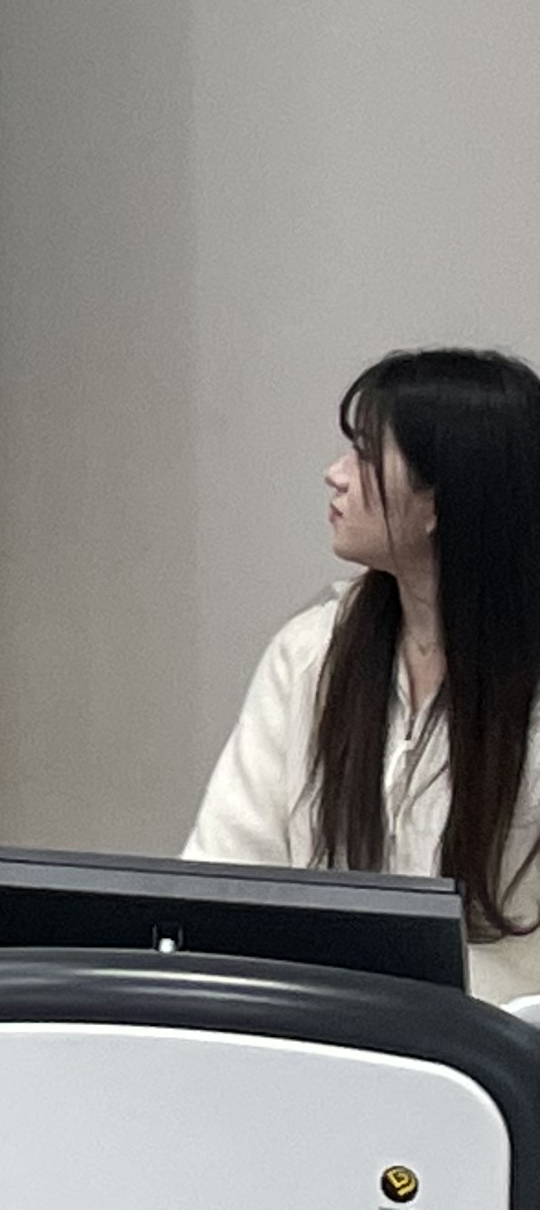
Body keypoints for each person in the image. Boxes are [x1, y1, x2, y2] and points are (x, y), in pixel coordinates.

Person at [186, 347, 540, 1002]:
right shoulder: (310, 656)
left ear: (441, 500)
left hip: (496, 1051)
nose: (335, 475)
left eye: (367, 455)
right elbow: (222, 885)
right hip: (322, 1038)